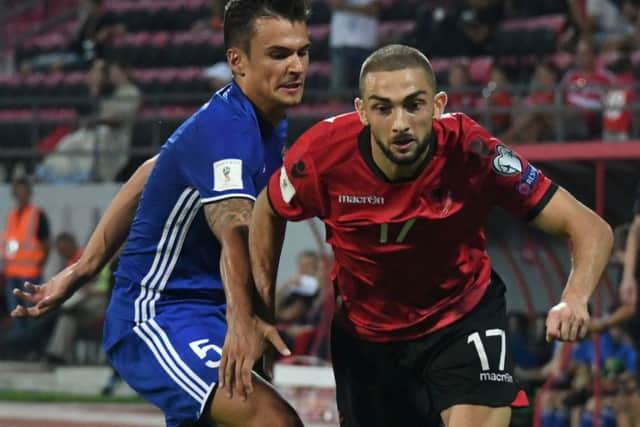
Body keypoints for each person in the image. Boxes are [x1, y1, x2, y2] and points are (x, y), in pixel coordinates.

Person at [249, 44, 614, 427]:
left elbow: (591, 228)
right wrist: (259, 312)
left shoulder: (474, 152)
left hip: (462, 318)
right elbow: (266, 209)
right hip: (368, 338)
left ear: (438, 104)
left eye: (414, 104)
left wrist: (574, 299)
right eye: (383, 108)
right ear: (361, 112)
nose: (400, 123)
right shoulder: (322, 157)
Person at [11, 1, 311, 426]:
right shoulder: (227, 128)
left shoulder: (266, 120)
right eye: (279, 54)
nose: (296, 66)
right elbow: (234, 232)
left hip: (206, 311)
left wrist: (80, 271)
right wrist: (243, 322)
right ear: (237, 62)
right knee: (272, 419)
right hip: (157, 313)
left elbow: (152, 170)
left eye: (302, 51)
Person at [44, 232, 109, 365]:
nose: (61, 253)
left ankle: (29, 341)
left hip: (101, 302)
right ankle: (57, 355)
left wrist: (90, 289)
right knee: (67, 317)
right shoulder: (70, 261)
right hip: (82, 304)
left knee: (59, 313)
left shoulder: (86, 258)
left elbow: (106, 286)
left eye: (63, 250)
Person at [1, 177, 50, 336]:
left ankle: (30, 346)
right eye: (18, 191)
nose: (20, 195)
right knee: (15, 313)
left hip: (30, 275)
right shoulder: (12, 215)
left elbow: (46, 243)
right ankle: (19, 347)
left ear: (29, 193)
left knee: (30, 313)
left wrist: (39, 265)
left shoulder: (37, 214)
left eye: (23, 191)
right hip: (12, 273)